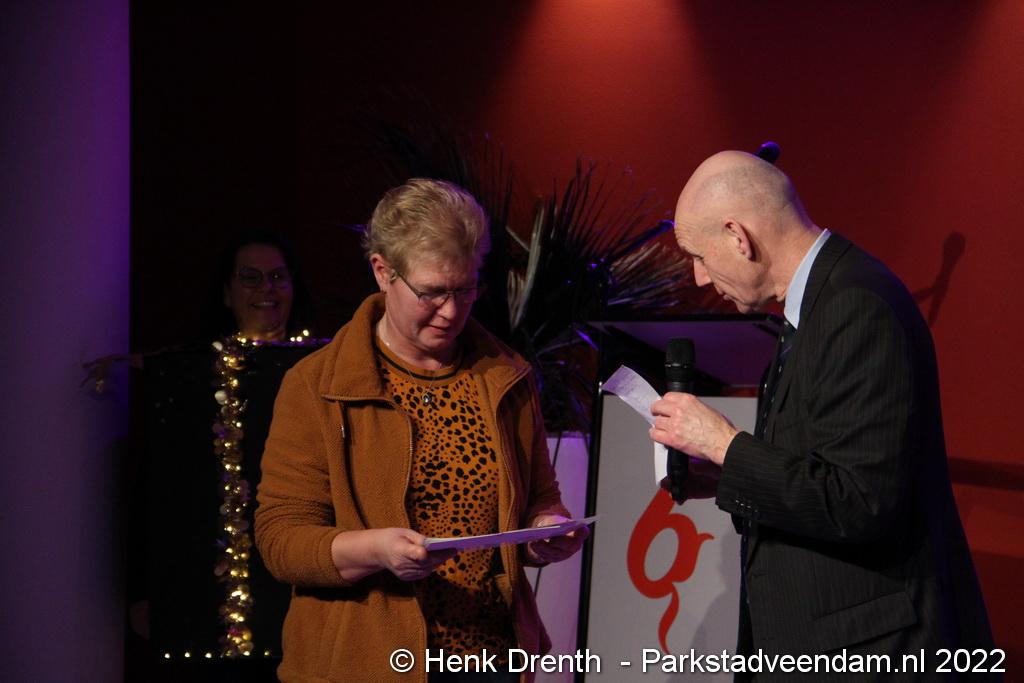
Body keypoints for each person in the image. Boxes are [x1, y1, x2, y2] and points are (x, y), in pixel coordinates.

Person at [650, 151, 995, 679]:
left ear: (738, 237)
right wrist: (723, 474)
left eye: (698, 255)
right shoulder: (811, 311)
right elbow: (821, 470)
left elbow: (860, 500)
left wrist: (723, 442)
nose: (698, 277)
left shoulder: (855, 304)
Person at [254, 178, 586, 683]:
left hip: (489, 660)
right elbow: (283, 541)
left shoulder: (504, 377)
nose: (451, 311)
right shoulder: (318, 386)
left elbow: (540, 498)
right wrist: (376, 551)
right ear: (382, 271)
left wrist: (545, 532)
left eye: (465, 288)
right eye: (431, 292)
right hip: (365, 666)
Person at [205, 231, 315, 342]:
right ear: (227, 294)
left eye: (278, 276)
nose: (266, 287)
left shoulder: (320, 352)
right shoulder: (204, 352)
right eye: (251, 277)